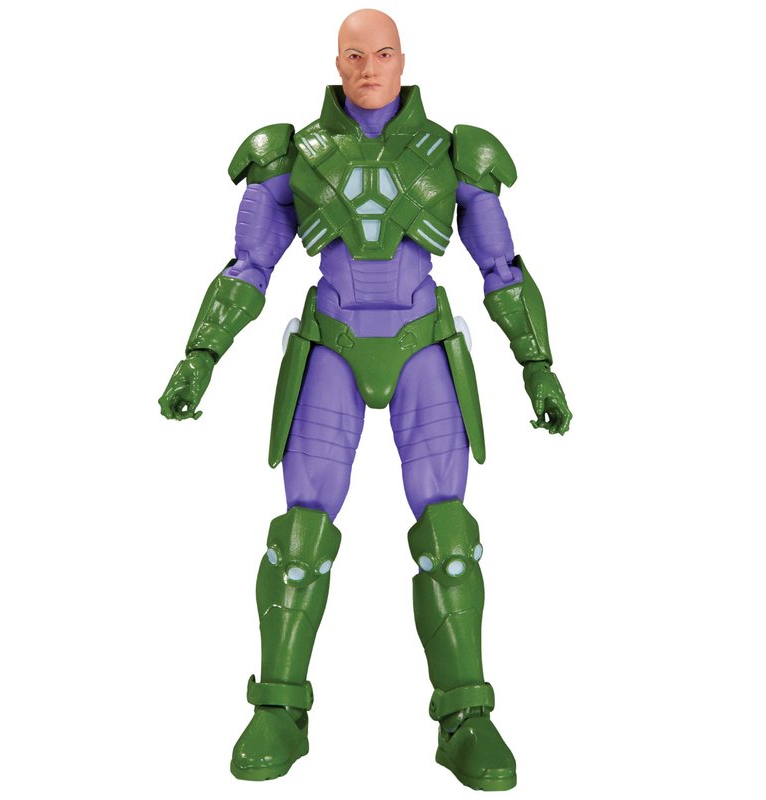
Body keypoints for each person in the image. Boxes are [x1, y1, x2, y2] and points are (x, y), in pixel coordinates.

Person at [159, 8, 571, 792]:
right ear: (337, 61)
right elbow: (248, 266)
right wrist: (200, 356)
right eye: (354, 54)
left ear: (403, 59)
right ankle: (278, 708)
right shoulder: (291, 155)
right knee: (300, 535)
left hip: (422, 344)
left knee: (449, 534)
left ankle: (466, 716)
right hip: (333, 343)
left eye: (382, 53)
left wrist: (538, 366)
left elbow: (503, 269)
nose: (369, 67)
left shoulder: (455, 153)